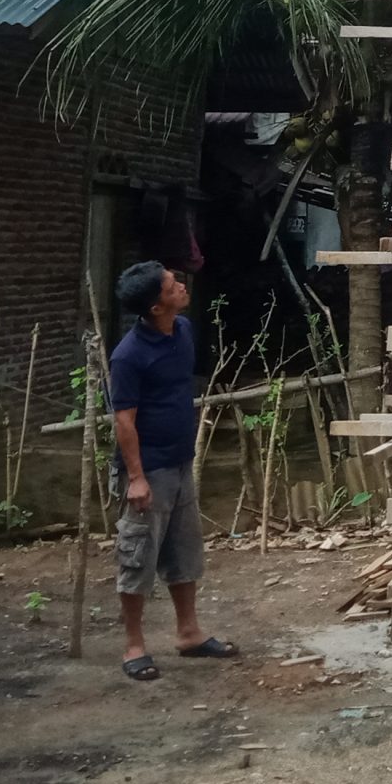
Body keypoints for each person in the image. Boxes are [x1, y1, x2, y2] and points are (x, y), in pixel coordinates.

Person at [109, 260, 237, 680]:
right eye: (171, 286)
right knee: (138, 556)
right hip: (149, 470)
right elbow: (124, 421)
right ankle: (134, 646)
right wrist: (137, 478)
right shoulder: (129, 356)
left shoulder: (182, 330)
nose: (181, 286)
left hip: (181, 462)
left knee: (184, 551)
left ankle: (189, 633)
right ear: (156, 307)